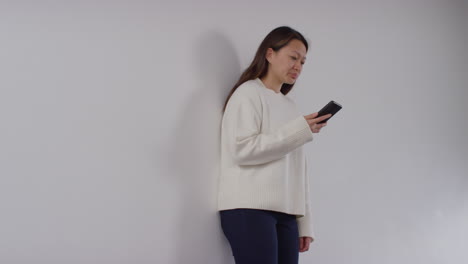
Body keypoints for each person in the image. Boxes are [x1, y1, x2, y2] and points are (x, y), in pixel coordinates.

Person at [217, 26, 332, 264]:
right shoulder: (248, 93)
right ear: (269, 54)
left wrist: (305, 222)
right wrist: (299, 130)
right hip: (248, 208)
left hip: (287, 214)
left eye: (302, 62)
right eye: (293, 57)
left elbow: (298, 168)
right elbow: (242, 150)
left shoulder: (290, 106)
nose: (298, 66)